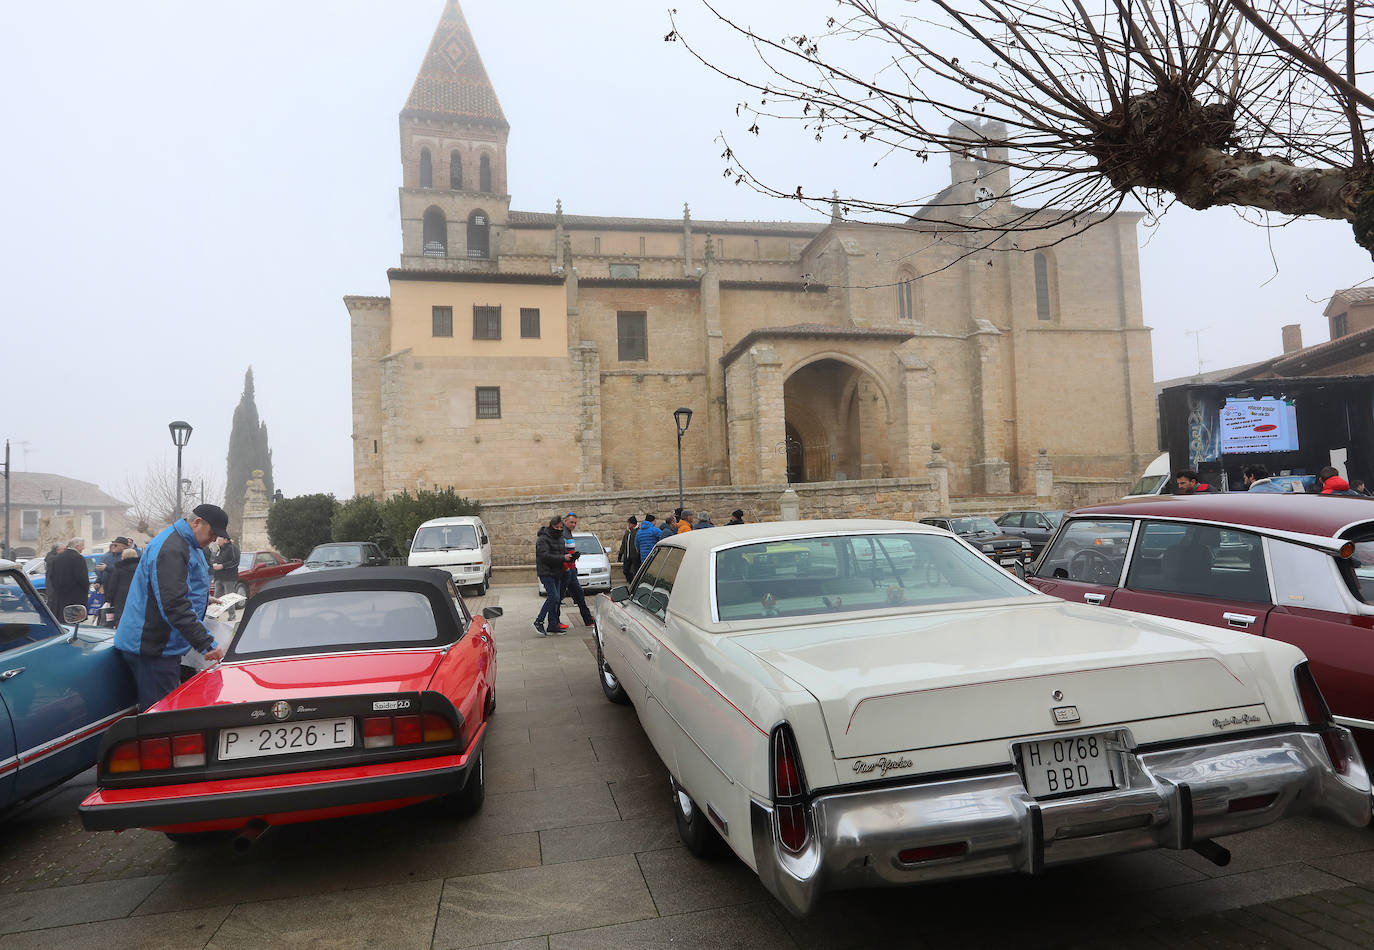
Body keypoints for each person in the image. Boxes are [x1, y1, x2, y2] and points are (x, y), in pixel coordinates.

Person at [114, 504, 227, 711]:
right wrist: (206, 643)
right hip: (153, 647)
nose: (213, 539)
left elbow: (177, 587)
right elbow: (172, 603)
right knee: (162, 716)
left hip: (163, 644)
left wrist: (204, 599)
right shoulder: (172, 548)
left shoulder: (187, 544)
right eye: (212, 533)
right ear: (196, 523)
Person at [534, 515, 570, 636]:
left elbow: (563, 553)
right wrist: (563, 557)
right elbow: (544, 556)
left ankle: (553, 625)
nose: (559, 529)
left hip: (557, 572)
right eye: (556, 527)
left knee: (557, 598)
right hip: (546, 572)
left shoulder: (560, 539)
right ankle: (539, 621)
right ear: (551, 526)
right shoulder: (542, 539)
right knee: (553, 597)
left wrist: (570, 557)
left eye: (561, 527)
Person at [560, 512, 595, 626]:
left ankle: (588, 619)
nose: (573, 524)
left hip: (571, 569)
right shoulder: (563, 533)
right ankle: (554, 622)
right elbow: (561, 551)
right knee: (559, 597)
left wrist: (574, 555)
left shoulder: (568, 533)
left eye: (575, 523)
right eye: (571, 522)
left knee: (579, 594)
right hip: (565, 570)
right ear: (565, 521)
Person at [47, 537, 90, 617]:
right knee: (73, 619)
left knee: (61, 618)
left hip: (59, 596)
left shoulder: (57, 558)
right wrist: (86, 589)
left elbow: (51, 576)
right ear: (77, 546)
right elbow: (82, 578)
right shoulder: (78, 558)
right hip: (75, 596)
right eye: (82, 546)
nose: (83, 548)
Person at [104, 546, 140, 627]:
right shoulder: (140, 568)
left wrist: (109, 598)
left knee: (121, 618)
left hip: (121, 597)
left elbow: (113, 585)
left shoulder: (119, 568)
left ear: (123, 556)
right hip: (137, 595)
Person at [211, 532, 241, 597]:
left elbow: (235, 562)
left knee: (229, 598)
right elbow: (217, 560)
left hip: (229, 578)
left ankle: (231, 608)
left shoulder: (233, 548)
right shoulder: (219, 549)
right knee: (217, 597)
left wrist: (222, 566)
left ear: (225, 540)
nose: (218, 542)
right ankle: (217, 607)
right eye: (217, 540)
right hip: (218, 577)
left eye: (219, 540)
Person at [617, 516, 641, 584]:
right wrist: (620, 554)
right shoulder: (627, 532)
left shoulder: (638, 531)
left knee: (636, 571)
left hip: (635, 555)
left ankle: (634, 584)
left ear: (633, 524)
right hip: (627, 555)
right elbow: (623, 543)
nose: (628, 525)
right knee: (625, 570)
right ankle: (630, 581)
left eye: (629, 523)